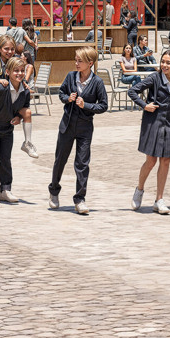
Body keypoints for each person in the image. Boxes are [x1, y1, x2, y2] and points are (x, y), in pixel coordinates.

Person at [49, 46, 108, 213]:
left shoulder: (97, 82)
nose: (76, 63)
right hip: (67, 125)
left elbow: (104, 105)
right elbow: (61, 93)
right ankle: (54, 191)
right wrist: (68, 98)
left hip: (85, 128)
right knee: (60, 160)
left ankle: (80, 199)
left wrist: (86, 105)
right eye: (76, 60)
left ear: (90, 63)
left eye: (79, 61)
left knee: (82, 164)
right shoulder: (70, 77)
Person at [130, 48, 170, 214]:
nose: (165, 65)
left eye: (168, 63)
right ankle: (139, 189)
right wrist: (144, 105)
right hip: (152, 122)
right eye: (163, 62)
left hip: (169, 123)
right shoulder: (154, 78)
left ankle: (159, 199)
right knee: (151, 161)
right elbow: (132, 91)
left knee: (166, 161)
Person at [0, 56, 31, 206]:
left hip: (8, 129)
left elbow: (24, 107)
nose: (20, 73)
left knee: (6, 159)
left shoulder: (25, 91)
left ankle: (6, 189)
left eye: (22, 71)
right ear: (7, 72)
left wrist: (19, 118)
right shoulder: (1, 88)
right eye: (16, 71)